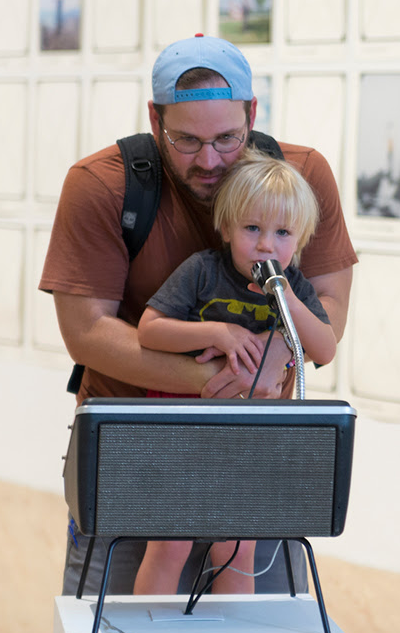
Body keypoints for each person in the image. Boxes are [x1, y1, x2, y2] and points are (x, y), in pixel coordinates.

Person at [40, 34, 358, 597]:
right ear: (154, 119)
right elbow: (87, 334)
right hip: (133, 455)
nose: (209, 161)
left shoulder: (301, 180)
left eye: (227, 139)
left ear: (253, 115)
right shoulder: (101, 186)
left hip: (254, 453)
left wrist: (280, 352)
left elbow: (328, 307)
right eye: (185, 140)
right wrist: (225, 380)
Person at [132, 148, 338, 595]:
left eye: (283, 233)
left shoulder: (294, 286)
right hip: (184, 423)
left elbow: (325, 347)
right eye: (252, 229)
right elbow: (150, 330)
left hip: (247, 432)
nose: (267, 244)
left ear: (299, 241)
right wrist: (220, 333)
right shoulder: (203, 271)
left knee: (237, 548)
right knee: (169, 545)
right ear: (226, 228)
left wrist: (287, 300)